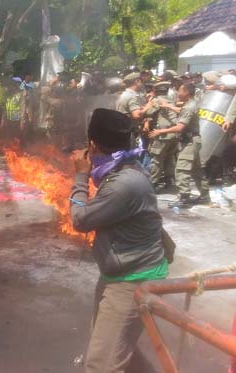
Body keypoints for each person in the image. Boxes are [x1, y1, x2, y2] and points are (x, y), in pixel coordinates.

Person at [70, 108, 168, 373]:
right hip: (122, 271)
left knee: (100, 365)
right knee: (115, 350)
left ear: (93, 144)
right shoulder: (124, 167)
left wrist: (80, 175)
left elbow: (80, 220)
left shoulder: (123, 184)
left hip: (133, 278)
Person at [150, 83, 210, 207]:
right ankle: (205, 195)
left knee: (181, 169)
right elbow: (181, 111)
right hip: (192, 140)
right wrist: (169, 106)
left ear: (187, 92)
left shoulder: (189, 106)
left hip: (189, 142)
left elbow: (180, 127)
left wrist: (160, 131)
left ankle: (184, 197)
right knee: (196, 170)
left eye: (180, 90)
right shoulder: (190, 104)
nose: (178, 93)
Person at [148, 81, 179, 191]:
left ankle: (153, 183)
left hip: (163, 134)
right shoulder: (171, 100)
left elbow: (148, 112)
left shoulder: (157, 100)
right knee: (169, 158)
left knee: (157, 159)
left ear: (156, 91)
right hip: (173, 134)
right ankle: (170, 181)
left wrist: (149, 102)